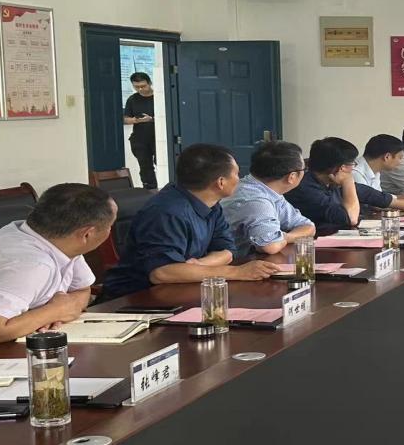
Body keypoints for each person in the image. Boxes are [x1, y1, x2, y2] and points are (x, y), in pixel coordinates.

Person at [101, 143, 280, 300]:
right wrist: (237, 272)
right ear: (220, 182)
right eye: (236, 174)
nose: (238, 179)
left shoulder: (211, 204)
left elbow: (227, 251)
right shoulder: (167, 212)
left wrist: (198, 266)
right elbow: (162, 273)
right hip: (136, 299)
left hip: (183, 287)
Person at [0, 184, 116, 351]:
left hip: (7, 346)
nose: (110, 230)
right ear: (87, 234)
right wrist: (56, 311)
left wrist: (55, 312)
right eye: (109, 226)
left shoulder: (54, 240)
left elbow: (82, 290)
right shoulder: (30, 265)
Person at [286, 137, 404, 230]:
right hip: (318, 248)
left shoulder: (330, 182)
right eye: (352, 164)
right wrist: (348, 180)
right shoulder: (306, 188)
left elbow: (372, 195)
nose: (354, 167)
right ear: (341, 168)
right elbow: (350, 218)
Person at [220, 140, 315, 257]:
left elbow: (308, 227)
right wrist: (284, 237)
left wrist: (284, 237)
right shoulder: (255, 200)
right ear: (292, 177)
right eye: (304, 169)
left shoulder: (269, 191)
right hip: (233, 264)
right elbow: (270, 246)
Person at [355, 134, 404, 206]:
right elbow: (375, 205)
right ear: (387, 157)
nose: (400, 162)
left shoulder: (375, 170)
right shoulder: (356, 173)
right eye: (400, 158)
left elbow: (381, 198)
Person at [123, 71, 159, 190]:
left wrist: (152, 119)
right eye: (136, 87)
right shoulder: (132, 99)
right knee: (145, 167)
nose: (140, 89)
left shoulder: (159, 97)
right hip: (139, 138)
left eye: (143, 86)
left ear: (150, 83)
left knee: (162, 162)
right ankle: (150, 190)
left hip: (158, 137)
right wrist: (135, 120)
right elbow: (125, 119)